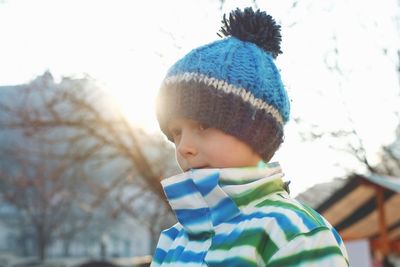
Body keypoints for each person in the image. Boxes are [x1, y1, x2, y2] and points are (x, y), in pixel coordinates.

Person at [150, 7, 349, 267]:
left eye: (202, 126)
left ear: (254, 134)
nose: (184, 146)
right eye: (176, 133)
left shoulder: (293, 232)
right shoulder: (174, 240)